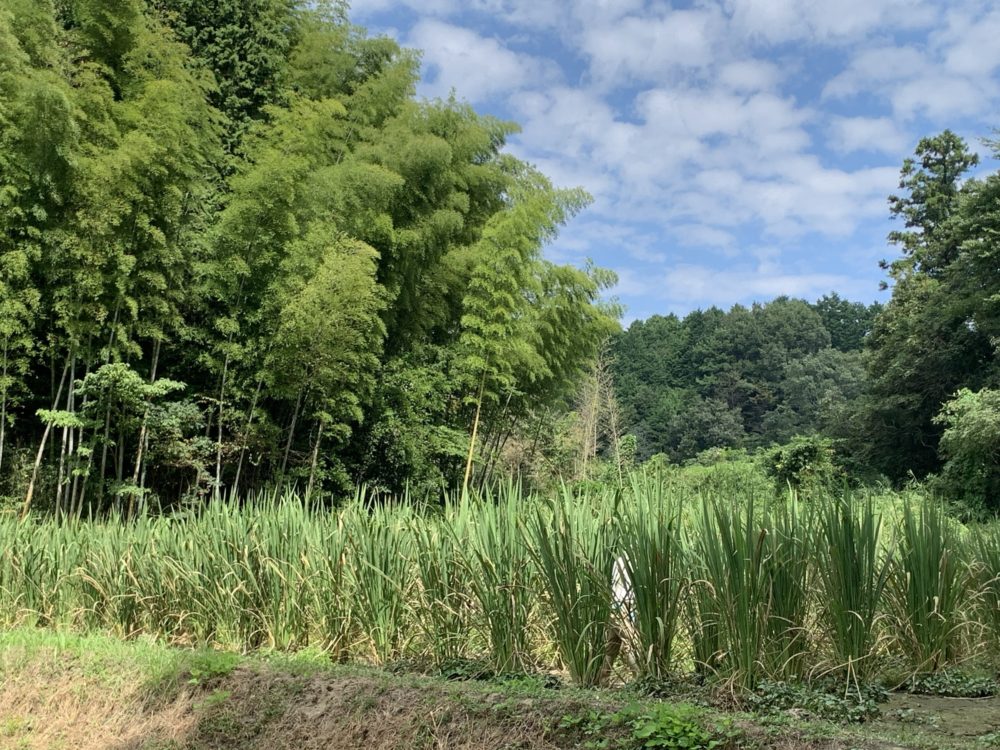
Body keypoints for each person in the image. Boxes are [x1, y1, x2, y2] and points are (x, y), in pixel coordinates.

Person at [600, 553, 636, 685]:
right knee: (629, 641)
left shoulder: (618, 560)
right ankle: (638, 678)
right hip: (624, 605)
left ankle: (603, 679)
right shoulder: (630, 558)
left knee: (613, 644)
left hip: (616, 604)